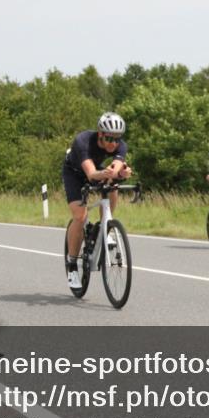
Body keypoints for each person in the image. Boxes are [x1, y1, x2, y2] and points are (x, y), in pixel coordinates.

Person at [63, 112, 132, 288]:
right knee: (80, 217)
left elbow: (115, 168)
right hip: (75, 173)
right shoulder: (83, 141)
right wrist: (107, 174)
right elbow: (92, 174)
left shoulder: (120, 145)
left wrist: (121, 173)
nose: (114, 143)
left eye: (117, 139)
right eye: (109, 138)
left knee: (113, 185)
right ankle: (72, 266)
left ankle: (105, 227)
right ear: (100, 133)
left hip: (96, 169)